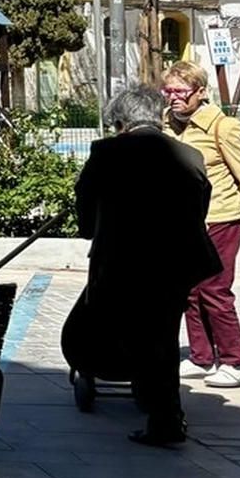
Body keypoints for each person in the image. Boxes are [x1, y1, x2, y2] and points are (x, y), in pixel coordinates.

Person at [75, 83, 221, 447]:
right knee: (164, 336)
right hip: (177, 262)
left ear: (122, 122)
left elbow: (86, 205)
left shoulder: (107, 152)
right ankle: (165, 411)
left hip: (127, 260)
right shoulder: (190, 155)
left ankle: (163, 416)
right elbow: (200, 205)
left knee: (140, 337)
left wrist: (92, 229)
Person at [163, 59, 240, 388]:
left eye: (181, 91)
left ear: (200, 92)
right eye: (169, 91)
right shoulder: (168, 125)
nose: (174, 97)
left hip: (220, 218)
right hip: (183, 222)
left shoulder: (224, 127)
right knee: (190, 291)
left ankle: (237, 362)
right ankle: (202, 357)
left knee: (214, 290)